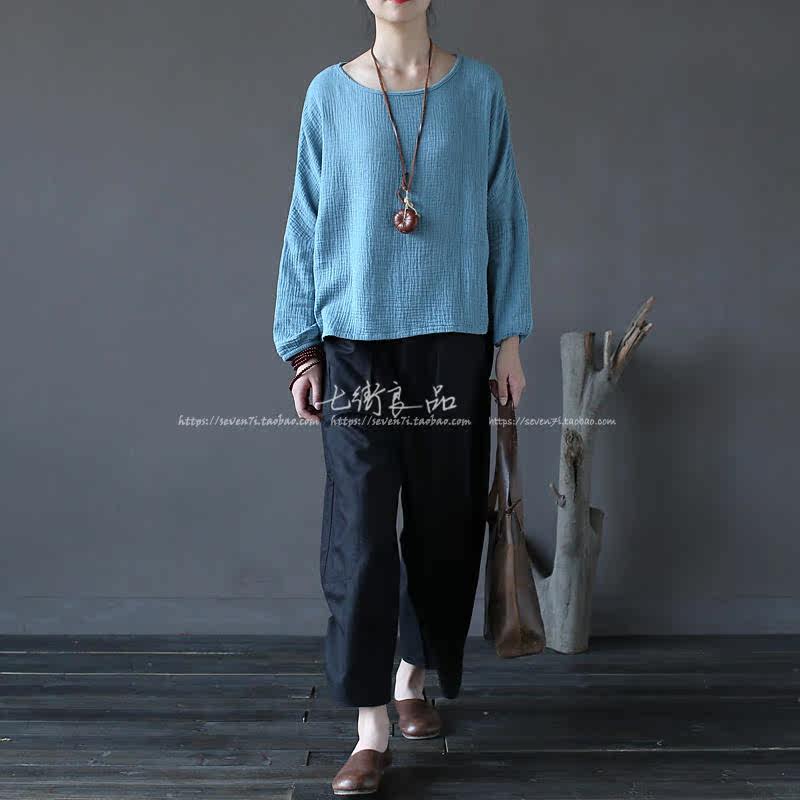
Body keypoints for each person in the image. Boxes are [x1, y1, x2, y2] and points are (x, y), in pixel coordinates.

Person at [272, 0, 532, 793]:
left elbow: (504, 214)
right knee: (359, 535)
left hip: (454, 337)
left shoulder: (480, 90)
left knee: (445, 525)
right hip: (355, 341)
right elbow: (306, 217)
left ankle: (412, 675)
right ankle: (370, 726)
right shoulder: (328, 93)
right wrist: (302, 348)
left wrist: (509, 337)